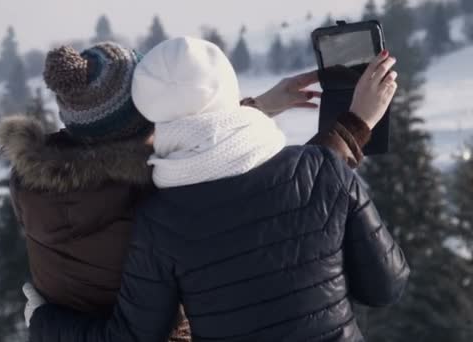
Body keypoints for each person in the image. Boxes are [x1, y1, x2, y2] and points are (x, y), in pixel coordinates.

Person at [22, 37, 408, 342]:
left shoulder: (157, 219)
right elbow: (386, 287)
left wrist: (43, 321)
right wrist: (357, 122)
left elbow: (131, 335)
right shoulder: (321, 171)